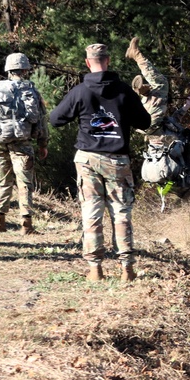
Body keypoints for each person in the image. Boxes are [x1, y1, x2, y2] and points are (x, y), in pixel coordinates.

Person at [49, 43, 151, 282]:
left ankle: (95, 269)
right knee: (121, 212)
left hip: (87, 159)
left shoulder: (80, 91)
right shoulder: (125, 91)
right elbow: (145, 123)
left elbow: (55, 119)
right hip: (117, 160)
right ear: (109, 61)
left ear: (87, 62)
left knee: (91, 211)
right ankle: (127, 269)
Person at [126, 37, 190, 188]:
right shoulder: (180, 147)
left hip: (151, 125)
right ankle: (144, 92)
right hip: (149, 127)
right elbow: (171, 122)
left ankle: (135, 54)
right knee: (156, 96)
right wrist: (186, 106)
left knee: (161, 83)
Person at [0, 53, 49, 235]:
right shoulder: (29, 90)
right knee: (25, 183)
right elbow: (39, 120)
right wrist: (43, 143)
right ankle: (26, 225)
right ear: (25, 69)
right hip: (22, 144)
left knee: (2, 181)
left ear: (8, 69)